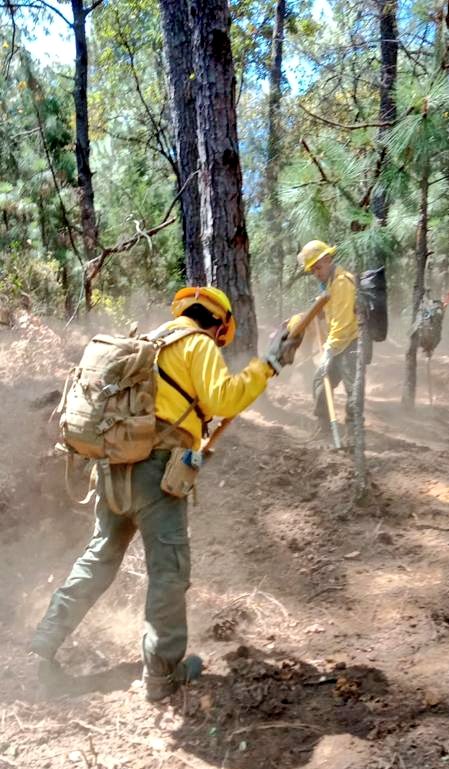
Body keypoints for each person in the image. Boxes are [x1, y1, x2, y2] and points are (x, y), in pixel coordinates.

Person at [31, 286, 295, 702]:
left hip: (114, 468)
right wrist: (269, 365)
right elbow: (224, 399)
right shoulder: (197, 344)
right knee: (168, 573)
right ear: (220, 324)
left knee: (98, 558)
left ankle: (43, 643)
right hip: (157, 474)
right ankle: (163, 676)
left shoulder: (149, 341)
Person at [293, 239, 358, 443]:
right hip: (337, 343)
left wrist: (328, 351)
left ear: (328, 259)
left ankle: (353, 436)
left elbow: (343, 322)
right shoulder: (328, 285)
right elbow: (329, 318)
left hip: (352, 343)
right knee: (320, 381)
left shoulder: (342, 282)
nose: (316, 273)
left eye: (318, 267)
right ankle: (324, 428)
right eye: (312, 270)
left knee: (352, 390)